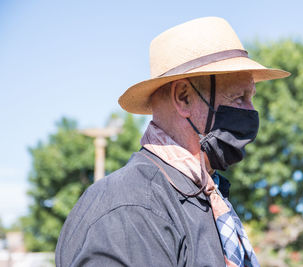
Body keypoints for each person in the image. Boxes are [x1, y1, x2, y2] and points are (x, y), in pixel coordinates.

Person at [55, 17, 290, 267]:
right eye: (238, 98)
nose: (251, 112)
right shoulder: (133, 209)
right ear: (183, 97)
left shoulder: (200, 197)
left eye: (250, 98)